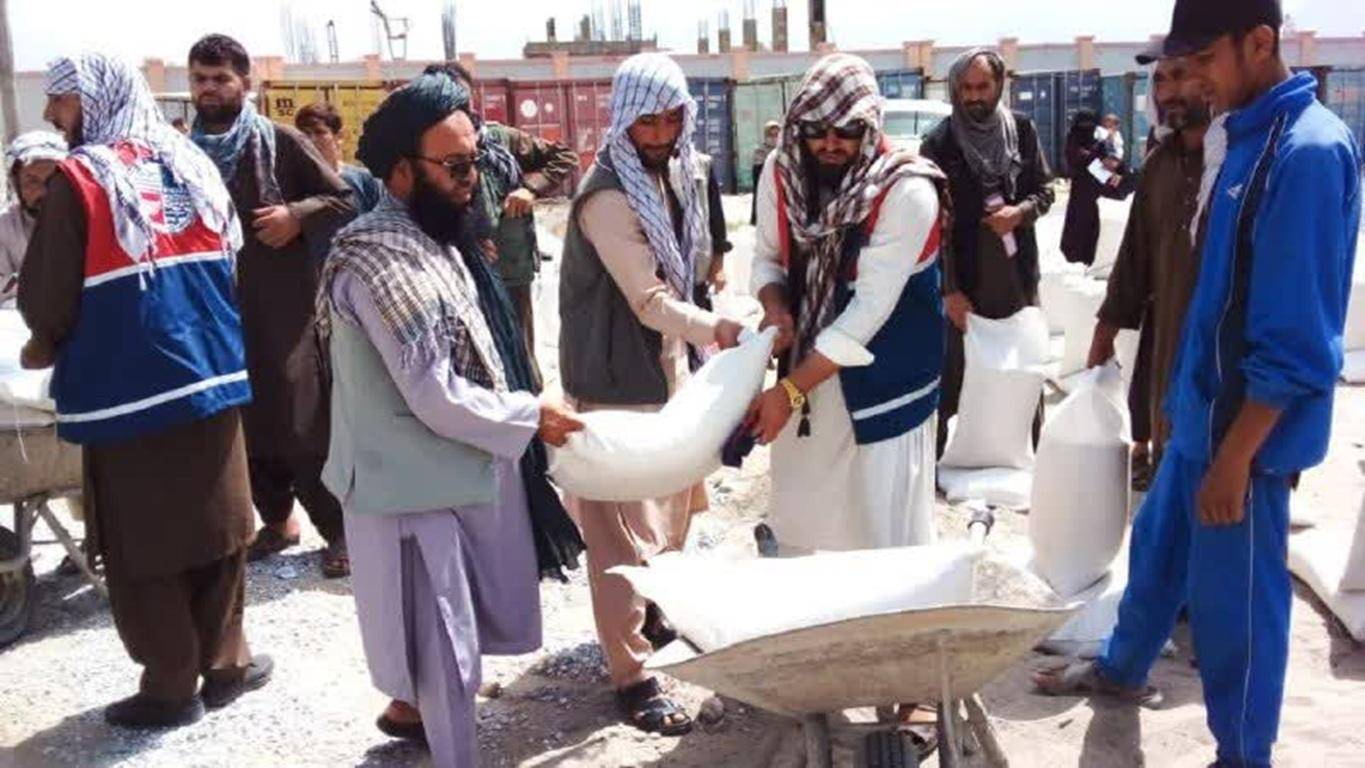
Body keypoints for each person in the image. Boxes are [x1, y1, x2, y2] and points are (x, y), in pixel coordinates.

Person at [1034, 1, 1361, 765]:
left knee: (1234, 608)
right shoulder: (1240, 138)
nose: (1196, 80)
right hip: (1199, 413)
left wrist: (1234, 458)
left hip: (1246, 439)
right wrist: (1183, 405)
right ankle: (1120, 669)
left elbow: (1296, 335)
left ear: (1259, 43)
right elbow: (1213, 296)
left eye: (1206, 60)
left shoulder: (1305, 152)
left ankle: (1242, 755)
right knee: (1156, 553)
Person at [320, 73, 585, 767]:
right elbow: (431, 393)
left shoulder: (433, 237)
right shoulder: (380, 258)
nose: (473, 181)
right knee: (442, 651)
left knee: (452, 649)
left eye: (476, 163)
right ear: (401, 171)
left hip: (450, 474)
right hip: (407, 494)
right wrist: (530, 415)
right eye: (457, 167)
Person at [20, 52, 270, 729]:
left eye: (60, 99)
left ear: (93, 98)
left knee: (142, 537)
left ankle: (169, 685)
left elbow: (47, 298)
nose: (52, 114)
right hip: (211, 374)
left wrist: (42, 341)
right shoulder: (190, 163)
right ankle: (227, 663)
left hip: (126, 386)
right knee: (220, 523)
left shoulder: (82, 179)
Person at [558, 52, 746, 736]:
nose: (662, 134)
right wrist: (719, 330)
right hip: (614, 380)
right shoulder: (608, 195)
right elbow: (647, 298)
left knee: (670, 511)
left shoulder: (672, 175)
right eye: (649, 122)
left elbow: (693, 266)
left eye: (672, 120)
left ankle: (655, 613)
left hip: (666, 370)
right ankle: (631, 676)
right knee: (617, 537)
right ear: (625, 119)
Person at [747, 53, 948, 555]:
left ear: (870, 127)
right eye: (816, 130)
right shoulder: (782, 173)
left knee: (881, 536)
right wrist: (775, 308)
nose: (830, 144)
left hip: (886, 380)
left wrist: (789, 392)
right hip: (812, 373)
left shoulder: (907, 190)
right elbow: (768, 258)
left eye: (847, 131)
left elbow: (866, 314)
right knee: (802, 520)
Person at [187, 34, 357, 578]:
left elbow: (343, 197)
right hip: (215, 309)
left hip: (285, 310)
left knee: (299, 419)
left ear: (245, 82)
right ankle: (278, 522)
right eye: (199, 79)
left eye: (220, 79)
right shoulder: (184, 151)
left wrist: (295, 216)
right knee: (245, 422)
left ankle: (341, 529)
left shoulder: (279, 141)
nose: (209, 89)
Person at [919, 49, 1055, 457]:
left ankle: (1028, 461)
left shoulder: (1022, 131)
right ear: (955, 90)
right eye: (966, 88)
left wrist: (1020, 213)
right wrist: (949, 290)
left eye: (983, 86)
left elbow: (1045, 190)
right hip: (965, 282)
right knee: (956, 376)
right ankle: (943, 465)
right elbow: (932, 226)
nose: (975, 96)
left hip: (1017, 279)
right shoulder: (939, 144)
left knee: (1023, 371)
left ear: (999, 86)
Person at [1087, 50, 1210, 487]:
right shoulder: (1161, 164)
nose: (1168, 91)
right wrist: (1105, 330)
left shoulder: (1237, 160)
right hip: (1167, 337)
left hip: (1217, 352)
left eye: (1180, 76)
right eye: (1160, 80)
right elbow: (1135, 253)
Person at [424, 62, 578, 375]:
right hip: (457, 275)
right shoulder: (425, 157)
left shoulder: (500, 140)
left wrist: (529, 189)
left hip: (511, 270)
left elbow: (564, 157)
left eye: (462, 100)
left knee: (520, 358)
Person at [0, 131, 66, 301]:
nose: (44, 191)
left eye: (53, 180)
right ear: (16, 184)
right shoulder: (4, 227)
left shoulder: (93, 219)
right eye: (32, 181)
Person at [1060, 108, 1128, 266]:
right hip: (1081, 191)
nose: (1086, 129)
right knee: (1080, 224)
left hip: (1090, 193)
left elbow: (1109, 164)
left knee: (1086, 225)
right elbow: (1080, 158)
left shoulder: (1097, 141)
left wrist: (1114, 171)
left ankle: (1085, 255)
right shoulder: (1076, 140)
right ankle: (1079, 254)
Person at [295, 101, 383, 214]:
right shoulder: (294, 183)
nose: (312, 140)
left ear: (339, 136)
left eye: (319, 132)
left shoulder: (365, 181)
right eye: (306, 133)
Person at [750, 119, 781, 225]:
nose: (774, 138)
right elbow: (758, 170)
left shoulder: (784, 149)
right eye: (771, 135)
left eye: (777, 135)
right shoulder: (760, 150)